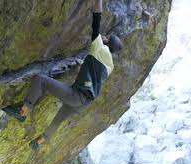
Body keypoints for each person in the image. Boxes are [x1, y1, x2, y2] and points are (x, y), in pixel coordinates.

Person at [21, 0, 123, 150]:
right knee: (59, 119)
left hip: (77, 95)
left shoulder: (99, 48)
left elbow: (96, 19)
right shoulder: (110, 66)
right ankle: (40, 142)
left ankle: (24, 110)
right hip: (83, 103)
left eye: (106, 37)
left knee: (40, 80)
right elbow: (93, 74)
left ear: (107, 42)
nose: (103, 36)